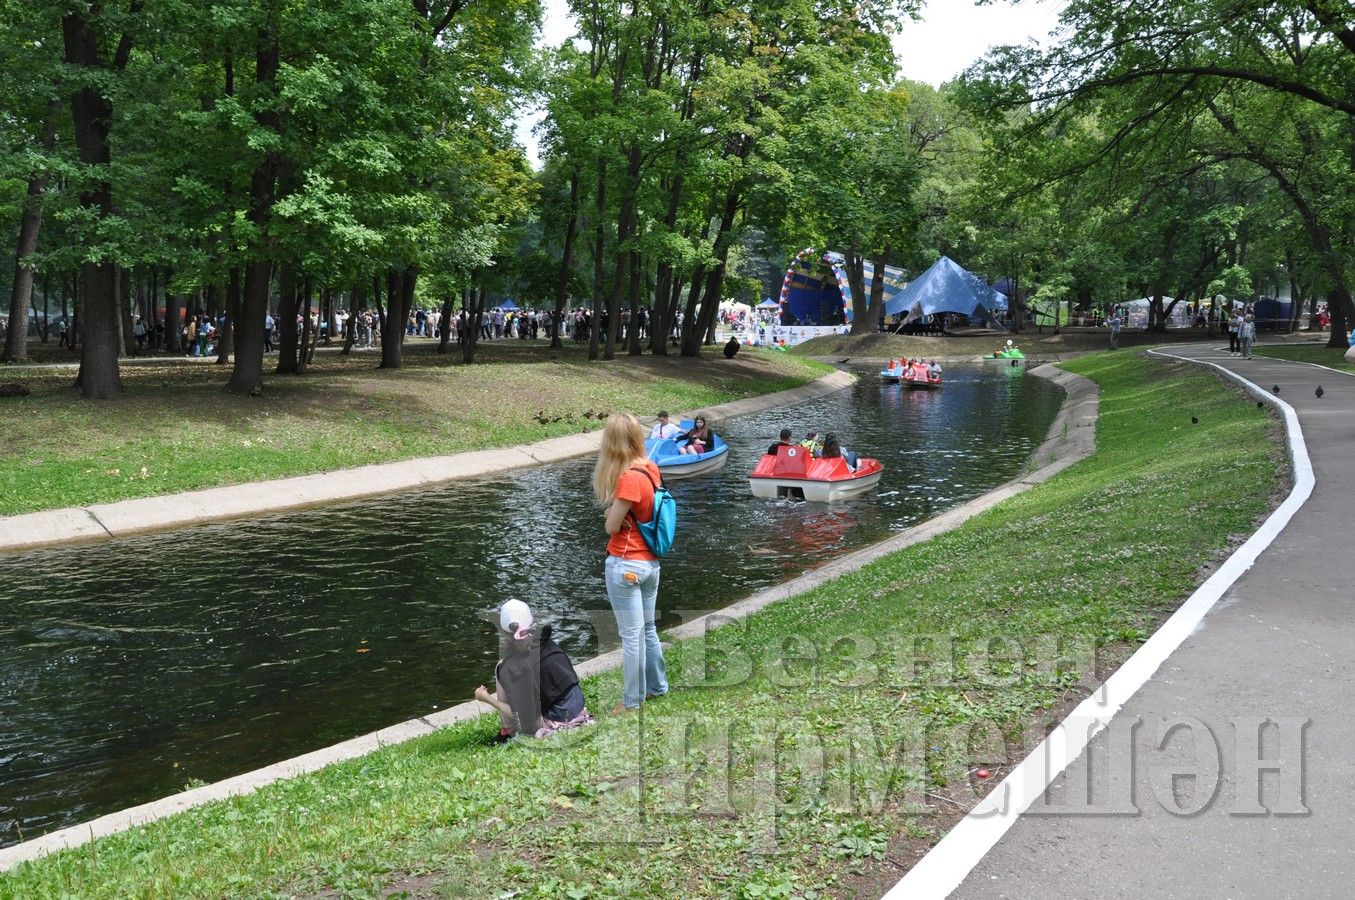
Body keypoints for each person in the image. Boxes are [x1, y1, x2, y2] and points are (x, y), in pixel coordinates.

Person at [593, 413, 668, 714]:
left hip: (625, 565)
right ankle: (658, 687)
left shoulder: (627, 479)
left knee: (631, 635)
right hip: (650, 565)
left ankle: (632, 701)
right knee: (648, 629)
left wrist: (612, 517)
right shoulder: (650, 469)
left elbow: (611, 527)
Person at [474, 599, 591, 740]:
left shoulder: (512, 667)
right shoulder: (548, 643)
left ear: (505, 632)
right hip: (578, 712)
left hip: (558, 721)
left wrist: (486, 698)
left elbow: (523, 716)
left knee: (500, 666)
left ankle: (507, 730)